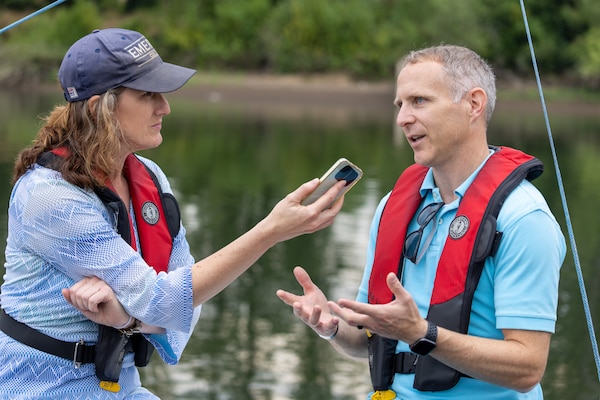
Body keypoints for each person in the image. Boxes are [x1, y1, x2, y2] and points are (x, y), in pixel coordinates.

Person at [0, 28, 345, 399]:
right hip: (38, 388)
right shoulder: (48, 195)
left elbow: (186, 303)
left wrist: (129, 318)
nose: (164, 107)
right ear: (103, 106)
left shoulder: (150, 177)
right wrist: (270, 231)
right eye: (148, 94)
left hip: (120, 386)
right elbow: (165, 301)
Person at [276, 45, 566, 399]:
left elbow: (527, 368)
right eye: (400, 105)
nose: (402, 119)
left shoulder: (524, 219)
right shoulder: (392, 207)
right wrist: (332, 326)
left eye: (419, 101)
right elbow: (368, 341)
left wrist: (421, 333)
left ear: (474, 104)